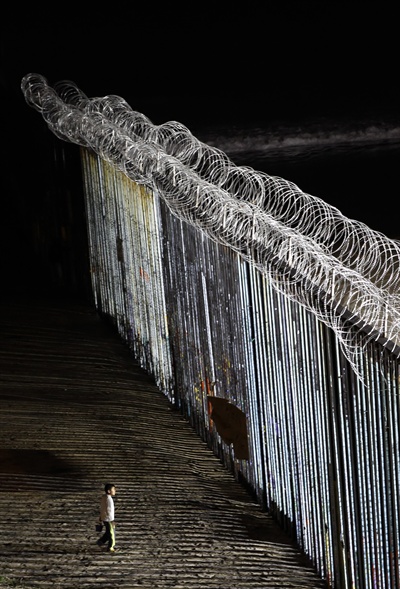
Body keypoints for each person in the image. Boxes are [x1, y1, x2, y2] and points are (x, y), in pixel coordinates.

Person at [97, 483, 117, 552]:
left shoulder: (104, 497)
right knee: (112, 533)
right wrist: (112, 520)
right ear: (109, 491)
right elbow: (109, 510)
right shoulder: (109, 499)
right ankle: (111, 547)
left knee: (108, 532)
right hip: (109, 519)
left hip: (105, 518)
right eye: (113, 489)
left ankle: (101, 541)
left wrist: (100, 517)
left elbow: (102, 508)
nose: (115, 491)